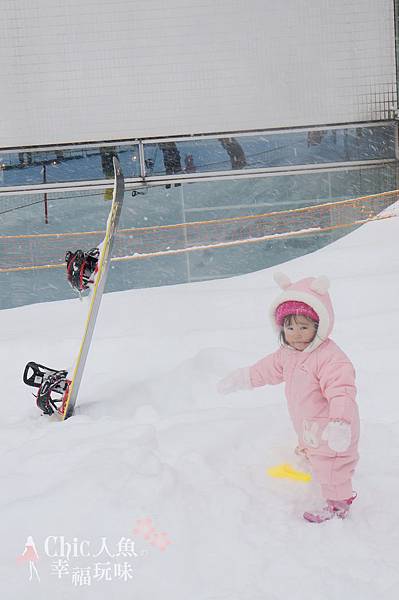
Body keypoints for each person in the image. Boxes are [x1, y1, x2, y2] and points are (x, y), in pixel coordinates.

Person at [217, 273, 360, 523]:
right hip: (310, 425)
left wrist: (340, 424)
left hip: (333, 428)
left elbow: (342, 391)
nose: (295, 333)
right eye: (289, 326)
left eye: (303, 327)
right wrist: (243, 378)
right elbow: (266, 370)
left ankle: (339, 504)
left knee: (333, 466)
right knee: (313, 447)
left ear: (319, 326)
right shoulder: (288, 353)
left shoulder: (330, 359)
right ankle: (310, 452)